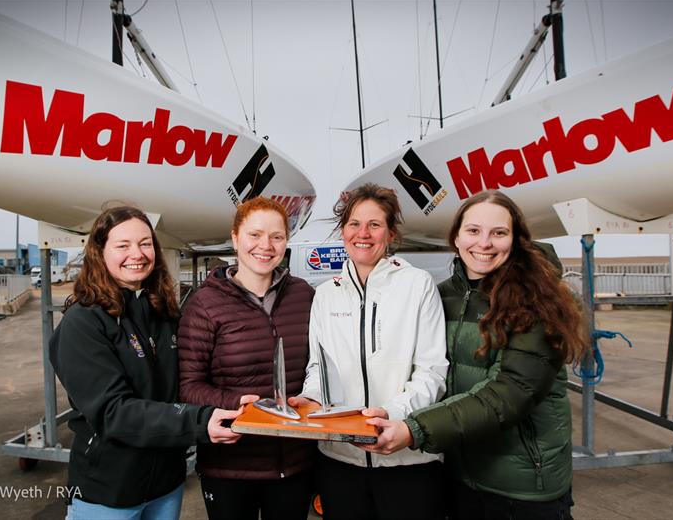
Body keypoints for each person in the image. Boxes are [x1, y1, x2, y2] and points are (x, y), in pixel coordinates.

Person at [362, 189, 587, 520]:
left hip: (522, 486)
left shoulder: (537, 301)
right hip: (460, 477)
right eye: (473, 231)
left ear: (515, 240)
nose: (484, 243)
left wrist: (415, 429)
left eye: (498, 233)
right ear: (455, 237)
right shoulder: (442, 297)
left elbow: (510, 393)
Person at [50, 206, 250, 520]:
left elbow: (186, 384)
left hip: (165, 487)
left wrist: (236, 400)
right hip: (108, 493)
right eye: (123, 245)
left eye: (145, 244)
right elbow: (113, 412)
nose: (137, 254)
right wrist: (199, 422)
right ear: (99, 252)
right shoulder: (84, 323)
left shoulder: (163, 313)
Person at [291, 183, 449, 520]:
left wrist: (390, 415)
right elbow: (319, 367)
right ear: (343, 230)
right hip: (340, 460)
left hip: (408, 459)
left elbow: (432, 371)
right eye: (354, 224)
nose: (363, 234)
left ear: (390, 233)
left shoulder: (417, 285)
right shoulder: (325, 295)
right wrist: (312, 398)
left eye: (375, 225)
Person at [177, 196, 317, 520]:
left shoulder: (304, 296)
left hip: (295, 463)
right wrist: (241, 403)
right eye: (255, 235)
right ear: (236, 238)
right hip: (230, 467)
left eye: (276, 236)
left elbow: (318, 367)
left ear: (286, 242)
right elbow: (188, 386)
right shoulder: (205, 304)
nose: (265, 246)